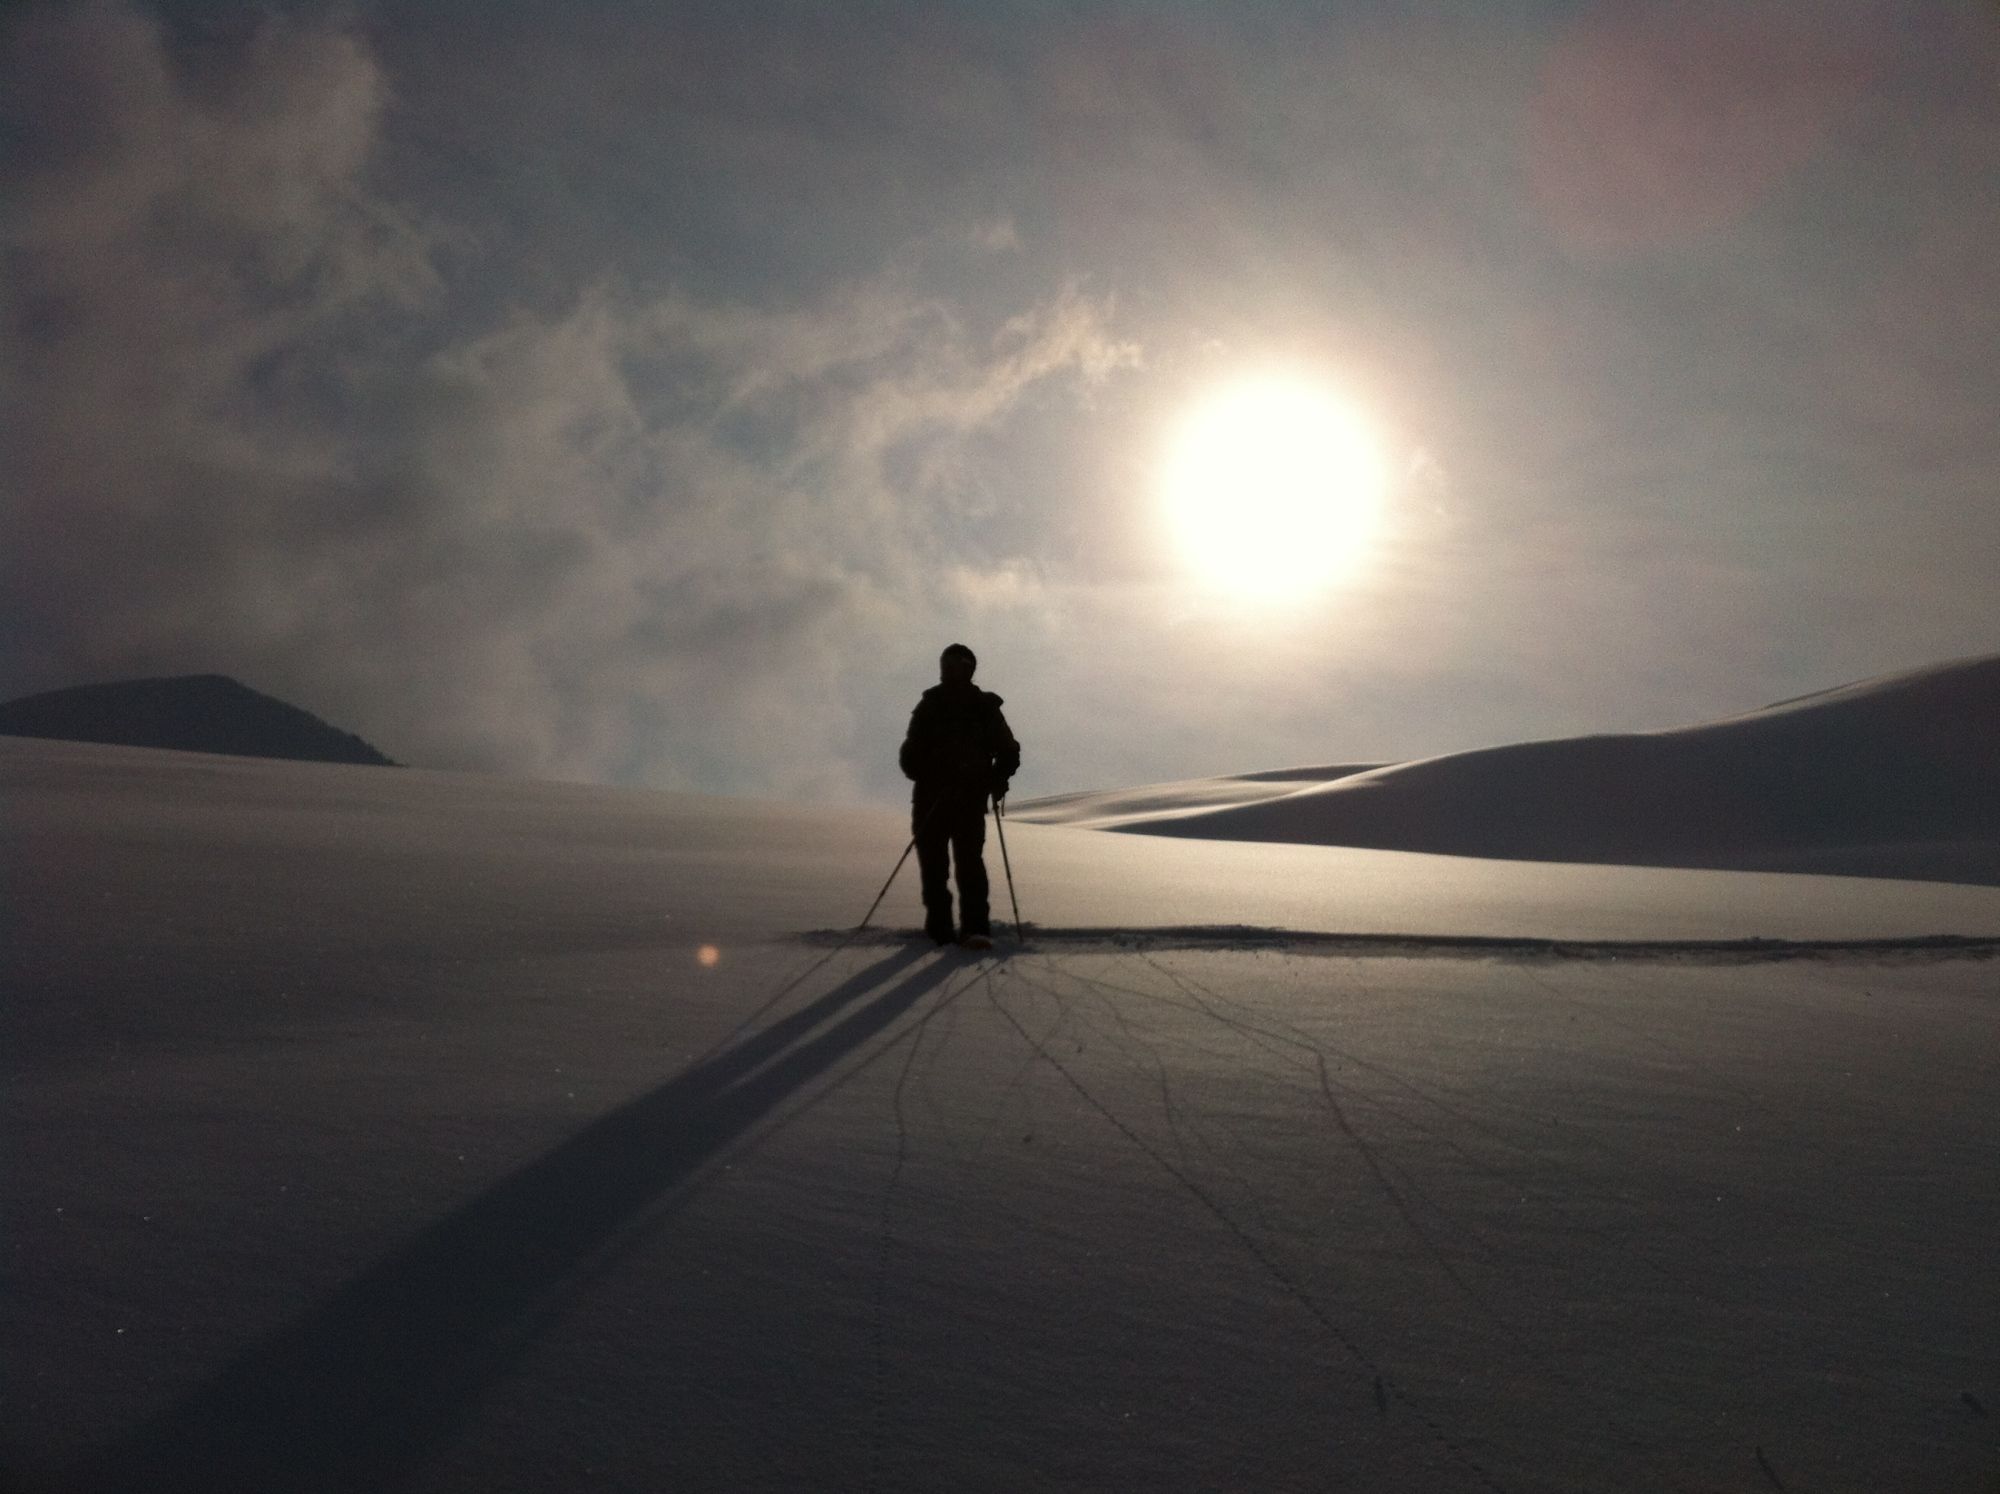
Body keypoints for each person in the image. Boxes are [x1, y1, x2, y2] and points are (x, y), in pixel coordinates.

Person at [898, 643, 1021, 947]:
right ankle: (940, 929)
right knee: (934, 866)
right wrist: (926, 768)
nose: (948, 669)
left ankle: (974, 929)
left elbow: (1008, 751)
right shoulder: (931, 704)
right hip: (931, 797)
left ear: (968, 668)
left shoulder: (983, 707)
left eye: (954, 663)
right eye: (945, 663)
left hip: (967, 797)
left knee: (968, 865)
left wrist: (997, 778)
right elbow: (910, 752)